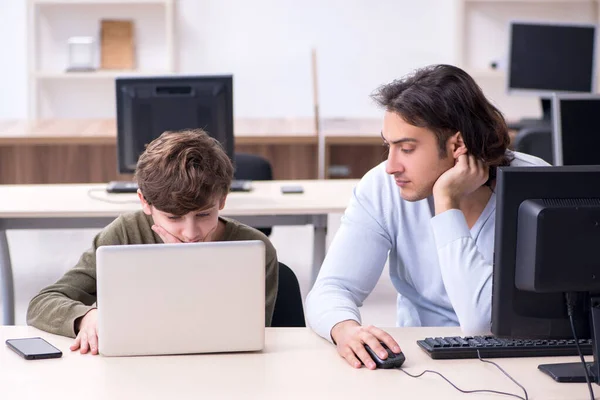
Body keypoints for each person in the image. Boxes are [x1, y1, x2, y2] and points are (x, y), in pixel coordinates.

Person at [305, 64, 548, 370]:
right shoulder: (383, 187)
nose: (391, 165)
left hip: (518, 361)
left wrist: (447, 202)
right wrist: (346, 330)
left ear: (457, 145)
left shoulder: (535, 187)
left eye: (406, 148)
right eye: (388, 146)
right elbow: (331, 289)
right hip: (420, 362)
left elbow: (481, 321)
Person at [27, 129, 279, 355]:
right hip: (135, 371)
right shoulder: (124, 234)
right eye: (173, 217)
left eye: (203, 214)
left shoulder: (254, 248)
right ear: (145, 202)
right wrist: (86, 317)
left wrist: (190, 267)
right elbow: (42, 304)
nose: (190, 232)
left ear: (222, 200)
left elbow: (247, 335)